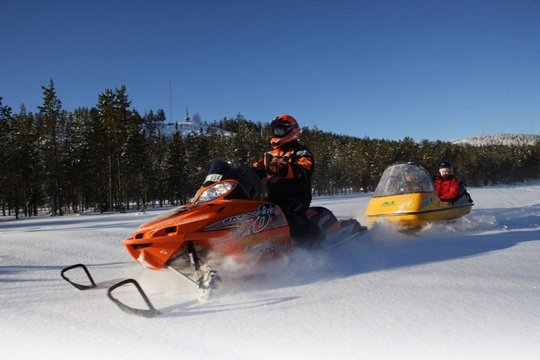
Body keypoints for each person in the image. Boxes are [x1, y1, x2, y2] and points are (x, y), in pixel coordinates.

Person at [252, 114, 322, 243]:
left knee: (286, 215)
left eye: (280, 130)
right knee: (254, 215)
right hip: (274, 197)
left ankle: (316, 241)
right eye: (275, 131)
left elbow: (305, 169)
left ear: (292, 130)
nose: (276, 134)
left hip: (297, 196)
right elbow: (255, 169)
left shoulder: (300, 151)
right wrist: (239, 174)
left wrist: (284, 169)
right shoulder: (269, 155)